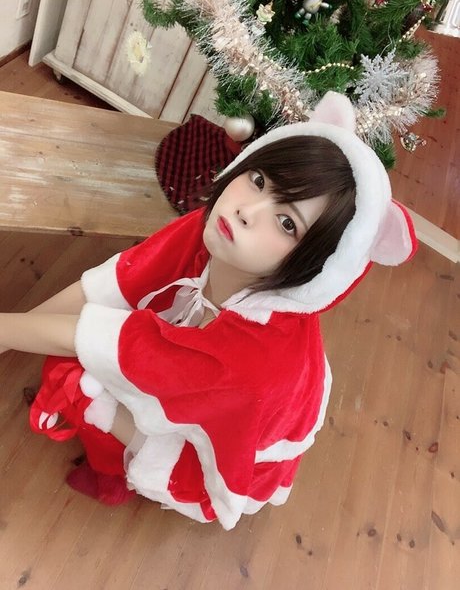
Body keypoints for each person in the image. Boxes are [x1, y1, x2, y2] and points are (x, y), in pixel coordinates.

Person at [0, 92, 417, 530]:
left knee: (78, 383)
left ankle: (114, 476)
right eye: (259, 180)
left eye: (287, 223)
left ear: (314, 267)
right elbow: (113, 283)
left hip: (227, 444)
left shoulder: (255, 355)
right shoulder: (218, 229)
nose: (246, 210)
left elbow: (107, 342)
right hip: (209, 368)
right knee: (80, 365)